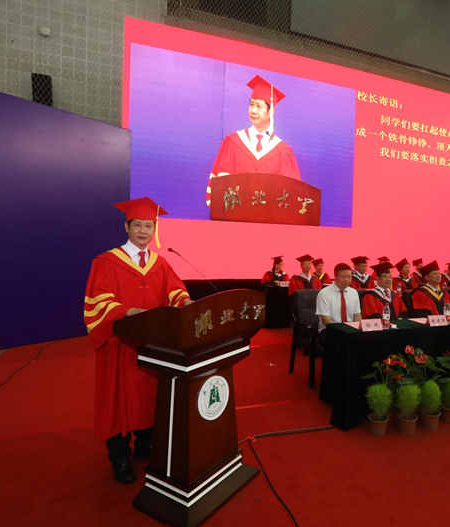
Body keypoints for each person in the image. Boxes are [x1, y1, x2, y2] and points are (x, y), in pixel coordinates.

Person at [83, 197, 191, 485]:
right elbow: (97, 301)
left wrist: (185, 301)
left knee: (149, 398)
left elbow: (174, 291)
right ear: (126, 227)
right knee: (118, 402)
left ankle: (146, 445)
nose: (143, 231)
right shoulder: (106, 261)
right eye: (138, 225)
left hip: (152, 346)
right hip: (120, 345)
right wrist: (129, 312)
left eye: (148, 226)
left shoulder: (160, 263)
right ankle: (119, 457)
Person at [206, 75, 301, 207]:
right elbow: (220, 185)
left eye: (259, 106)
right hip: (235, 217)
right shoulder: (233, 142)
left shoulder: (283, 151)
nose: (253, 111)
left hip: (268, 219)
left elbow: (290, 194)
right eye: (251, 105)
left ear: (271, 111)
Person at [316, 263, 362, 341]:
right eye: (343, 277)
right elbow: (325, 319)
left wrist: (356, 330)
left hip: (350, 330)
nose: (347, 280)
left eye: (349, 277)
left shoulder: (354, 292)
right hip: (330, 330)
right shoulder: (324, 293)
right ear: (335, 276)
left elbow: (357, 315)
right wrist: (342, 332)